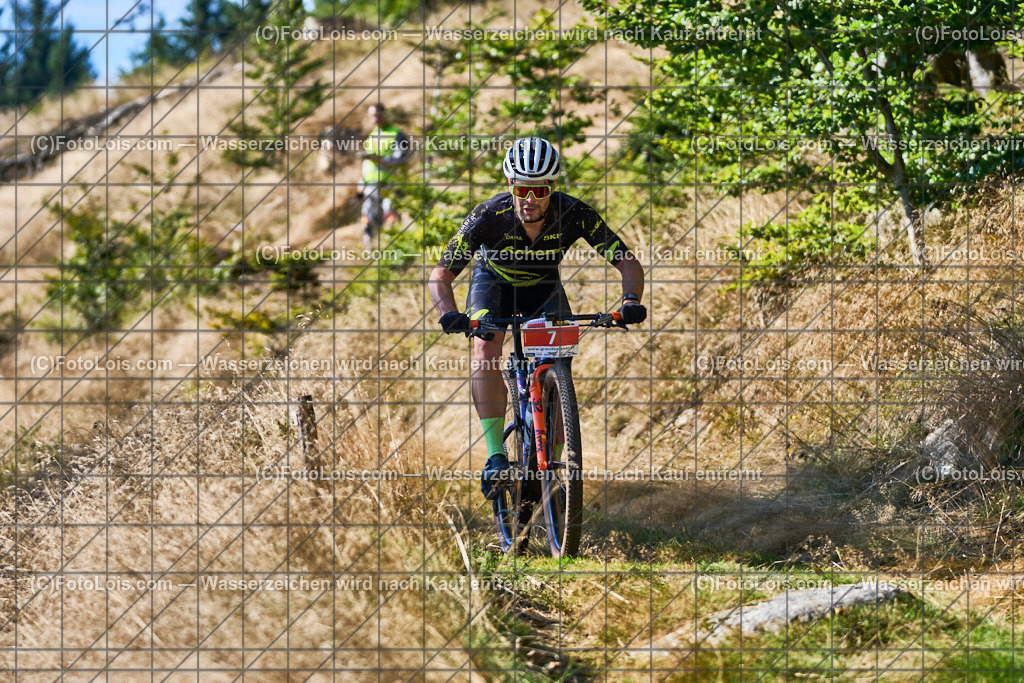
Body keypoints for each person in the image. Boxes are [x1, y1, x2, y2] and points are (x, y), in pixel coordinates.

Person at [428, 137, 647, 500]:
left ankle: (553, 471)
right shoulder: (489, 215)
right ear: (511, 185)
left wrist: (630, 300)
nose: (530, 198)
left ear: (553, 187)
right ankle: (496, 457)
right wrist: (449, 313)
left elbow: (626, 260)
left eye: (540, 189)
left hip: (544, 289)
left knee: (559, 366)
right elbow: (441, 274)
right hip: (492, 285)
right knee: (485, 352)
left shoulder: (574, 212)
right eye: (522, 188)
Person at [358, 103, 410, 248]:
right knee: (367, 218)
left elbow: (402, 159)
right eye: (371, 115)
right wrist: (361, 183)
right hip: (371, 185)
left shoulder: (397, 134)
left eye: (376, 114)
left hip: (392, 185)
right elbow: (367, 164)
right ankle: (370, 250)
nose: (373, 118)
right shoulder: (373, 135)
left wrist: (380, 160)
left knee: (391, 217)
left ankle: (393, 250)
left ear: (384, 114)